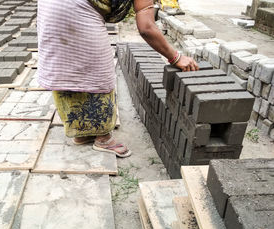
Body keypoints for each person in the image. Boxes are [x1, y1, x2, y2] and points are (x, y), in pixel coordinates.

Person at [37, 0, 199, 158]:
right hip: (74, 10)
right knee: (99, 71)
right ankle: (103, 138)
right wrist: (175, 57)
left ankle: (81, 133)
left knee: (63, 66)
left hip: (50, 9)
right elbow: (146, 28)